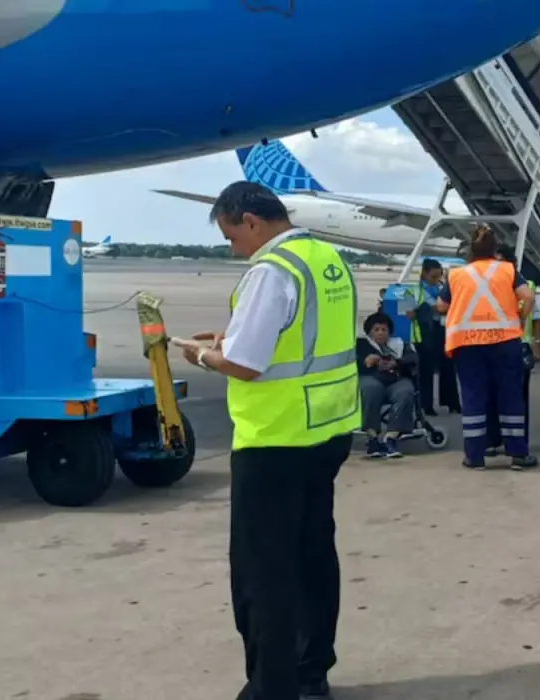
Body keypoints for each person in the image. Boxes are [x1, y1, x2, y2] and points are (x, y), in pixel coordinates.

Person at [180, 181, 356, 700]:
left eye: (232, 236)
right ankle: (310, 672)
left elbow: (246, 364)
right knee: (313, 557)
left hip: (275, 440)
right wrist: (230, 338)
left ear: (252, 221)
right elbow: (303, 339)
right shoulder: (327, 259)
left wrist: (201, 355)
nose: (234, 249)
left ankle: (271, 688)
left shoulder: (271, 270)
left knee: (263, 573)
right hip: (327, 430)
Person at [436, 226, 539, 471]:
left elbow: (441, 306)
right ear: (495, 249)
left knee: (473, 398)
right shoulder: (507, 270)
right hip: (505, 343)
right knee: (510, 396)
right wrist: (520, 317)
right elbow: (528, 296)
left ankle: (475, 456)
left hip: (467, 345)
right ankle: (518, 454)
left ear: (470, 250)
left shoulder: (457, 274)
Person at [485, 244, 540, 457]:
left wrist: (536, 341)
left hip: (519, 347)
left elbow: (536, 317)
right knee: (490, 396)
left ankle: (518, 443)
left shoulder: (526, 286)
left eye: (500, 263)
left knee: (518, 398)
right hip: (490, 345)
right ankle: (492, 440)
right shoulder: (485, 285)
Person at [357, 312, 418, 459]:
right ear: (369, 332)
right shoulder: (361, 345)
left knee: (405, 391)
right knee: (370, 389)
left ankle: (391, 437)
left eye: (384, 330)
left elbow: (413, 359)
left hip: (395, 380)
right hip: (371, 378)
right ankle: (372, 437)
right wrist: (366, 362)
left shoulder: (400, 344)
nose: (380, 333)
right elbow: (353, 362)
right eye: (376, 330)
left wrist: (397, 363)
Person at [407, 258, 461, 414]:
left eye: (439, 276)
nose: (437, 280)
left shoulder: (443, 289)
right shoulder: (412, 291)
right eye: (433, 276)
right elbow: (405, 313)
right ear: (424, 274)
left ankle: (452, 402)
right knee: (426, 370)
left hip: (443, 331)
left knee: (448, 367)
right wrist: (418, 310)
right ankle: (426, 405)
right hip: (424, 334)